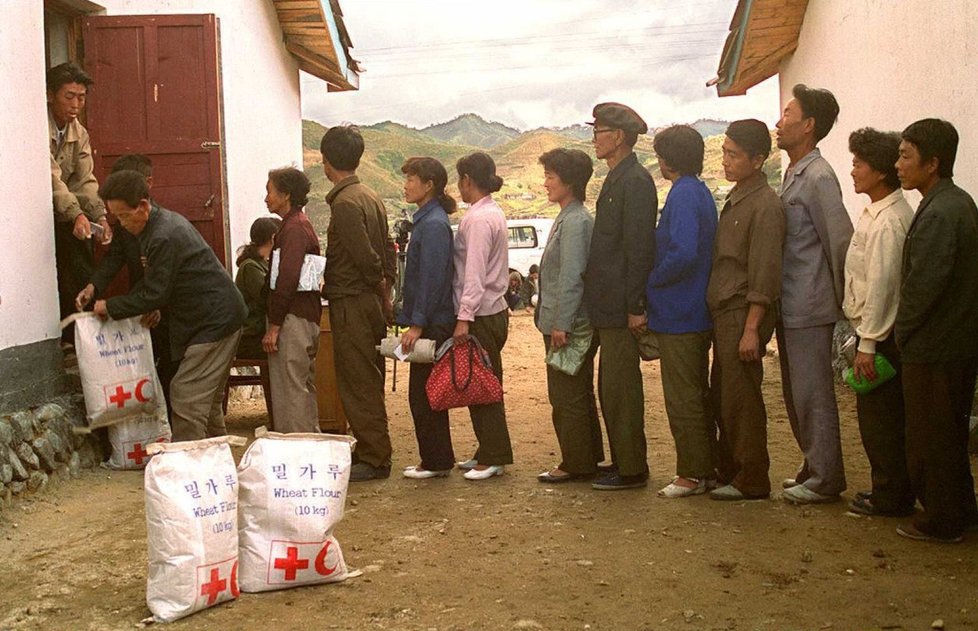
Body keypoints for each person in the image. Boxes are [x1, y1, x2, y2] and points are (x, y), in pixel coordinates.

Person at [92, 170, 245, 441]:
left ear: (144, 205)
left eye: (125, 215)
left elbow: (155, 294)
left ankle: (188, 470)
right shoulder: (155, 229)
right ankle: (217, 468)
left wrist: (110, 306)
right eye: (117, 217)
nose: (122, 223)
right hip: (215, 317)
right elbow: (157, 286)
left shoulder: (164, 235)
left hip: (214, 321)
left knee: (186, 395)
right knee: (205, 402)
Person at [893, 119, 978, 543]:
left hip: (936, 345)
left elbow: (923, 285)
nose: (898, 165)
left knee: (933, 436)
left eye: (906, 156)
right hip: (950, 342)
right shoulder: (950, 202)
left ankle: (942, 519)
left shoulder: (944, 210)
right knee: (948, 432)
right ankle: (960, 509)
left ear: (933, 163)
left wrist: (902, 332)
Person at [775, 84, 852, 504]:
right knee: (795, 391)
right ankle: (812, 464)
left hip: (810, 301)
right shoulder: (793, 173)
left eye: (788, 113)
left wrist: (848, 307)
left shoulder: (820, 177)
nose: (779, 122)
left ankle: (826, 478)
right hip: (789, 301)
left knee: (813, 392)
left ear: (808, 126)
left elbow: (839, 241)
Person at [707, 120, 785, 501]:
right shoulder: (739, 198)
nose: (726, 161)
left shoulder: (766, 206)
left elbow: (764, 273)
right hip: (725, 311)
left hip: (742, 312)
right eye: (724, 152)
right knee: (726, 396)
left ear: (758, 160)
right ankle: (734, 469)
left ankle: (752, 477)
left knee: (742, 399)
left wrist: (752, 328)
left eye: (734, 155)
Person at [583, 102, 657, 490]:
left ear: (620, 137)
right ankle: (623, 461)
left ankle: (631, 468)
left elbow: (638, 248)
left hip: (620, 307)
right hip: (608, 306)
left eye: (600, 132)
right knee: (611, 388)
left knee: (621, 389)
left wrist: (634, 306)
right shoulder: (618, 178)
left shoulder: (635, 181)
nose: (595, 138)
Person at [842, 128, 915, 517]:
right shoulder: (877, 212)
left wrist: (867, 344)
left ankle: (890, 495)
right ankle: (888, 489)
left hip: (881, 337)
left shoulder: (889, 221)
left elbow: (884, 287)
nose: (853, 171)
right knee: (879, 419)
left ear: (880, 173)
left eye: (859, 164)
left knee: (881, 422)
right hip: (873, 332)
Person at [645, 125, 718, 498]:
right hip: (692, 308)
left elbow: (684, 252)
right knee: (695, 393)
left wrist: (653, 279)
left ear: (667, 159)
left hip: (681, 310)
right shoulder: (696, 191)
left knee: (683, 395)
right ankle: (705, 468)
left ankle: (692, 472)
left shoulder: (684, 194)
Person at [320, 125, 396, 481]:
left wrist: (376, 285)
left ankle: (375, 456)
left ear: (325, 160)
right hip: (367, 300)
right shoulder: (370, 195)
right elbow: (387, 251)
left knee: (357, 379)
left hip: (352, 300)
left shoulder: (346, 204)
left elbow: (366, 258)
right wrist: (384, 291)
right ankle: (371, 446)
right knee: (368, 376)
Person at [76, 155, 176, 417]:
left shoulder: (162, 226)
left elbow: (169, 275)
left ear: (147, 185)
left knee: (169, 372)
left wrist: (158, 306)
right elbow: (115, 257)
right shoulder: (125, 220)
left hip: (166, 310)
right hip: (141, 305)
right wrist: (93, 286)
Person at [534, 148, 603, 484]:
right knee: (576, 392)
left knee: (566, 395)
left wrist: (562, 323)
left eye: (550, 176)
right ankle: (586, 457)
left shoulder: (576, 221)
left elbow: (571, 276)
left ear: (569, 181)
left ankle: (575, 461)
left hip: (569, 324)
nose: (545, 183)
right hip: (567, 321)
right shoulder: (570, 217)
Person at [452, 152, 514, 480]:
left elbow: (473, 273)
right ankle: (485, 449)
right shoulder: (491, 212)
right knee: (481, 382)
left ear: (467, 180)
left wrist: (464, 316)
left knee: (483, 384)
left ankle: (494, 455)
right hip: (494, 309)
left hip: (481, 313)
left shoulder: (477, 219)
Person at [396, 157, 458, 479]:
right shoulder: (428, 220)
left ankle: (435, 460)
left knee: (424, 394)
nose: (406, 184)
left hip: (432, 322)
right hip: (429, 318)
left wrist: (417, 323)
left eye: (411, 179)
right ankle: (436, 458)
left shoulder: (433, 225)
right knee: (424, 392)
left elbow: (432, 279)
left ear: (429, 184)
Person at [48, 62, 112, 338]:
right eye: (69, 96)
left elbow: (85, 180)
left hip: (67, 211)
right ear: (50, 95)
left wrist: (99, 216)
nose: (76, 104)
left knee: (85, 258)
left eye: (81, 97)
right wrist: (76, 214)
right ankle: (67, 339)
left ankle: (83, 337)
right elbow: (51, 178)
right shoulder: (36, 126)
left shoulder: (79, 132)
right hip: (46, 211)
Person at [261, 168, 322, 434]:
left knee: (291, 388)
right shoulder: (294, 224)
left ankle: (298, 447)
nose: (266, 198)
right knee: (299, 385)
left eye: (270, 191)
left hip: (293, 317)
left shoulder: (295, 228)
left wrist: (274, 325)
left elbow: (287, 277)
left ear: (285, 194)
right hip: (300, 314)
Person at [235, 217, 282, 360]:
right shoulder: (251, 267)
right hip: (251, 337)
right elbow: (269, 298)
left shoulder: (262, 264)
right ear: (273, 238)